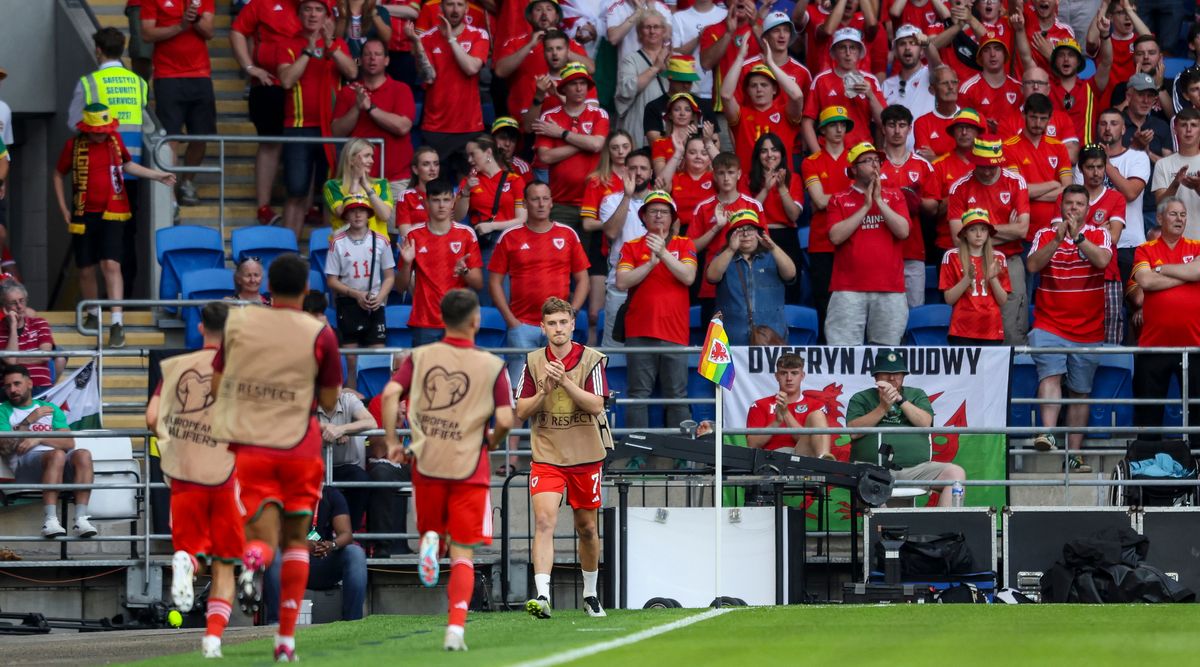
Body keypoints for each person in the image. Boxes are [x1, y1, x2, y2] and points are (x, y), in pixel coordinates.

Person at [211, 253, 342, 662]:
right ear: (305, 290)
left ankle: (252, 561)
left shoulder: (242, 325)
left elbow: (217, 385)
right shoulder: (319, 332)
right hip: (300, 447)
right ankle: (285, 642)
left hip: (254, 446)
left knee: (261, 537)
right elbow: (329, 398)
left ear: (267, 287)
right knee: (298, 541)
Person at [379, 288, 514, 651]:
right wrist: (495, 439)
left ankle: (429, 543)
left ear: (441, 320)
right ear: (476, 320)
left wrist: (393, 440)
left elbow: (391, 394)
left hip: (427, 462)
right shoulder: (491, 365)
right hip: (469, 465)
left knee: (435, 535)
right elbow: (504, 417)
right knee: (464, 554)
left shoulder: (420, 356)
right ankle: (455, 629)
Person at [145, 302, 241, 659]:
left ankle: (186, 562)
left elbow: (152, 417)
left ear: (201, 328)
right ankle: (213, 638)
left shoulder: (178, 367)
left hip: (185, 474)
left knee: (191, 549)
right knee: (226, 564)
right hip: (227, 475)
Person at [514, 297, 611, 619]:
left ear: (572, 324)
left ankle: (591, 593)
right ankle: (542, 594)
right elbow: (520, 411)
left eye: (563, 322)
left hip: (585, 454)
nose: (558, 328)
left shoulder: (592, 359)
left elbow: (597, 405)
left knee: (586, 528)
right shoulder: (532, 361)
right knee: (544, 521)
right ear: (542, 328)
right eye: (551, 323)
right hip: (548, 453)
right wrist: (543, 390)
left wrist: (566, 381)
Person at [52, 103, 176, 349]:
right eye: (96, 130)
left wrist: (157, 175)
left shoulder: (115, 141)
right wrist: (64, 208)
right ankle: (93, 313)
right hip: (83, 213)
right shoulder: (73, 146)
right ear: (86, 129)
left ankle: (117, 322)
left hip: (114, 212)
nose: (101, 134)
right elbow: (58, 174)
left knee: (111, 263)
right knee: (86, 268)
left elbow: (127, 166)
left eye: (104, 130)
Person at [1026, 185, 1114, 473]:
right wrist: (1057, 239)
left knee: (1080, 392)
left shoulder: (1099, 234)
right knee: (1050, 374)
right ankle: (1048, 433)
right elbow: (1032, 266)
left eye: (1079, 204)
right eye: (1069, 204)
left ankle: (1073, 455)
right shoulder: (1043, 234)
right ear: (1061, 207)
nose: (1074, 209)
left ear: (1087, 209)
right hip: (1049, 323)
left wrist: (1077, 238)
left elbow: (1102, 261)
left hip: (1088, 329)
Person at [66, 28, 151, 291]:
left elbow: (73, 123)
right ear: (123, 49)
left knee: (91, 239)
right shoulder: (138, 82)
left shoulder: (89, 82)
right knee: (125, 237)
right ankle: (124, 301)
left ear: (98, 50)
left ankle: (97, 306)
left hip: (97, 172)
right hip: (130, 171)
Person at [489, 180, 590, 380]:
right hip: (522, 325)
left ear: (552, 202)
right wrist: (512, 321)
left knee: (559, 390)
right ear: (525, 204)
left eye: (545, 199)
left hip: (558, 325)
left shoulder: (568, 234)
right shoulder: (510, 236)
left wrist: (572, 314)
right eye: (535, 199)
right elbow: (494, 282)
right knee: (519, 391)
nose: (541, 204)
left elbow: (583, 280)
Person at [615, 191, 697, 431]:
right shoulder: (631, 246)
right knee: (638, 395)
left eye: (664, 212)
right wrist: (650, 263)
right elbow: (622, 282)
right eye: (653, 211)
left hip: (674, 330)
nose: (659, 216)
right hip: (639, 330)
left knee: (676, 396)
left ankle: (681, 454)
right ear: (644, 217)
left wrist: (662, 254)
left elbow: (688, 276)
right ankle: (637, 454)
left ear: (672, 218)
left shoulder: (685, 243)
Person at [277, 0, 358, 237]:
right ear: (299, 14)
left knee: (331, 192)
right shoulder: (287, 44)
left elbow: (352, 72)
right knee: (296, 191)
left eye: (318, 9)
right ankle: (287, 251)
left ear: (327, 15)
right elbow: (286, 80)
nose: (313, 14)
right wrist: (307, 52)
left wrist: (330, 45)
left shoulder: (338, 43)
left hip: (331, 129)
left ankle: (328, 251)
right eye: (307, 9)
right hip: (298, 127)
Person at [846, 349, 965, 507]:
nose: (892, 378)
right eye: (886, 373)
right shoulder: (861, 398)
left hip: (917, 470)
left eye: (898, 373)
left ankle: (945, 529)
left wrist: (900, 400)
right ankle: (881, 531)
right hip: (874, 470)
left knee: (955, 474)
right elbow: (854, 432)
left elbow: (925, 423)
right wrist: (882, 408)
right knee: (873, 493)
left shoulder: (916, 394)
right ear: (875, 376)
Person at [946, 137, 1031, 344]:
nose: (987, 171)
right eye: (982, 166)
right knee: (974, 325)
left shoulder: (1015, 181)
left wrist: (977, 231)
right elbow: (958, 238)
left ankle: (1012, 374)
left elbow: (1022, 229)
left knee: (1012, 326)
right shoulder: (959, 187)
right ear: (974, 161)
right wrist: (1003, 230)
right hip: (970, 262)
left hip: (1009, 261)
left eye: (993, 166)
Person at [825, 142, 911, 346]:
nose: (875, 165)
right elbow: (835, 236)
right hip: (848, 289)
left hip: (890, 288)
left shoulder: (895, 195)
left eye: (877, 160)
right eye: (868, 160)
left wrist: (879, 201)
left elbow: (903, 231)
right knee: (843, 354)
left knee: (887, 356)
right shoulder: (838, 199)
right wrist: (865, 206)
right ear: (853, 169)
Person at [1128, 197, 1200, 435]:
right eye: (1173, 214)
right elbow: (1145, 281)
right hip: (1154, 346)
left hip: (1195, 346)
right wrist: (1187, 275)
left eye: (1183, 215)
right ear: (1159, 218)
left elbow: (1198, 270)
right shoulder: (1144, 249)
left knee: (1198, 413)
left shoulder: (1196, 246)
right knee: (1149, 414)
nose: (1179, 219)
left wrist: (1161, 269)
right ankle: (1148, 465)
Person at [0, 365, 96, 538]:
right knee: (57, 454)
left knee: (83, 454)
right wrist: (29, 420)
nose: (12, 390)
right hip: (25, 467)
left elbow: (68, 442)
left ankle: (81, 519)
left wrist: (38, 437)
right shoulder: (3, 410)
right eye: (7, 386)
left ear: (29, 383)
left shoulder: (51, 408)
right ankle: (50, 521)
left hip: (57, 463)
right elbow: (5, 446)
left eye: (16, 384)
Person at [231, 0, 300, 226]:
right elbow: (237, 31)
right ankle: (264, 206)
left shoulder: (317, 6)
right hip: (269, 83)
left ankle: (305, 205)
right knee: (271, 143)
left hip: (305, 84)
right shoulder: (262, 4)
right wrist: (250, 67)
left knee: (304, 142)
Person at [141, 0, 216, 207]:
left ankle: (187, 183)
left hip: (200, 74)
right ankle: (171, 194)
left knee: (200, 136)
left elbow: (209, 32)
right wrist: (179, 26)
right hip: (167, 76)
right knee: (171, 136)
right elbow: (147, 34)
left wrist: (195, 19)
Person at [406, 0, 489, 183]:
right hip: (436, 126)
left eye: (460, 4)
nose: (455, 9)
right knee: (434, 189)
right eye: (450, 4)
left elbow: (471, 68)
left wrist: (451, 39)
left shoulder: (478, 34)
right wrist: (417, 44)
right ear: (441, 8)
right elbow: (428, 77)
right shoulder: (427, 38)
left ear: (466, 9)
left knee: (470, 188)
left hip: (469, 126)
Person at [262, 485, 368, 622]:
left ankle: (353, 621)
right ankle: (275, 623)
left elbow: (346, 534)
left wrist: (331, 545)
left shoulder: (330, 494)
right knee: (274, 553)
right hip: (291, 562)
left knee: (355, 553)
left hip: (322, 559)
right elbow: (274, 533)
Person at [331, 38, 416, 201]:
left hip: (395, 180)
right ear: (360, 60)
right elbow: (336, 132)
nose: (372, 58)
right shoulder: (348, 92)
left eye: (377, 54)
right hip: (355, 178)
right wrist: (356, 107)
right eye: (367, 54)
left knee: (394, 227)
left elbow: (402, 127)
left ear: (386, 60)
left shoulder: (401, 89)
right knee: (353, 226)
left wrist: (370, 109)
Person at [326, 196, 395, 391]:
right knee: (352, 361)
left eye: (362, 210)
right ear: (346, 215)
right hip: (348, 304)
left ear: (368, 214)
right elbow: (331, 280)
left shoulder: (381, 241)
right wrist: (355, 294)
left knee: (378, 356)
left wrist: (380, 298)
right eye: (353, 210)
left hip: (375, 303)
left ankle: (378, 402)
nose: (357, 214)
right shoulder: (337, 242)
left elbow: (389, 276)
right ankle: (351, 401)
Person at [532, 62, 610, 233]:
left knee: (592, 257)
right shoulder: (549, 116)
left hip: (594, 200)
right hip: (561, 202)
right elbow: (545, 157)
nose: (579, 88)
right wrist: (584, 142)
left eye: (583, 83)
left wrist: (561, 134)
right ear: (564, 88)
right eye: (574, 83)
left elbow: (597, 145)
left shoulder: (599, 113)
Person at [494, 1, 593, 126]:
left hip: (562, 122)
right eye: (538, 9)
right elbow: (500, 71)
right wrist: (530, 45)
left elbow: (590, 69)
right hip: (524, 124)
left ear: (557, 16)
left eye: (549, 9)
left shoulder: (570, 44)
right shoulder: (516, 43)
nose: (544, 14)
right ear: (530, 16)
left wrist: (559, 45)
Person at [705, 209, 795, 346]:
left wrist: (773, 248)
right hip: (730, 337)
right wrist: (730, 249)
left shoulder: (773, 255)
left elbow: (790, 274)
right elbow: (712, 276)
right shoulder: (724, 256)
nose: (746, 234)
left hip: (771, 336)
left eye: (750, 229)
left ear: (759, 233)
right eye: (740, 230)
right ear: (731, 235)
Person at [1076, 141, 1135, 345]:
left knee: (1110, 338)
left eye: (1100, 167)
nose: (1096, 172)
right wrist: (1101, 231)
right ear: (1081, 168)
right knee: (1076, 332)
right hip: (1074, 275)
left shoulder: (1116, 197)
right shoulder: (1070, 197)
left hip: (1108, 275)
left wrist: (1080, 232)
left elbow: (1114, 238)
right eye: (1090, 167)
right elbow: (1063, 238)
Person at [802, 108, 854, 337]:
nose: (839, 129)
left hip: (853, 242)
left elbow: (825, 199)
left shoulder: (856, 157)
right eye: (833, 124)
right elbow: (819, 201)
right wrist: (850, 198)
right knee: (824, 301)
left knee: (851, 302)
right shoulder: (811, 162)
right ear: (822, 129)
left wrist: (833, 199)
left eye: (842, 124)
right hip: (822, 242)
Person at [691, 152, 764, 313]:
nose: (726, 178)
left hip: (747, 280)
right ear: (714, 175)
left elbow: (764, 243)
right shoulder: (703, 207)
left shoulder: (753, 205)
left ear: (739, 174)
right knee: (713, 337)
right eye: (721, 173)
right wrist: (716, 227)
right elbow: (691, 248)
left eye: (730, 172)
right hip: (713, 283)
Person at [878, 104, 933, 307]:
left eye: (902, 125)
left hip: (913, 249)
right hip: (880, 249)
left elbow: (934, 207)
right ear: (883, 128)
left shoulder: (922, 164)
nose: (897, 130)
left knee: (915, 312)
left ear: (910, 129)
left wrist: (916, 201)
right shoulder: (874, 162)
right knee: (883, 314)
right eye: (892, 125)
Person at [580, 130, 633, 344]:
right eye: (615, 147)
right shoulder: (597, 181)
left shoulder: (639, 177)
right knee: (594, 314)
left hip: (632, 251)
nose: (620, 152)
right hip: (601, 249)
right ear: (607, 152)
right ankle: (592, 365)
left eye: (625, 147)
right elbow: (587, 223)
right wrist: (615, 223)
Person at [722, 37, 805, 173]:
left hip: (781, 185)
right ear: (747, 91)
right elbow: (725, 95)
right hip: (748, 186)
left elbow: (797, 96)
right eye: (754, 85)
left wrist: (771, 64)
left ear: (774, 89)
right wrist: (740, 58)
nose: (759, 89)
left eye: (764, 85)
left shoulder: (785, 113)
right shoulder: (741, 114)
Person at [598, 149, 654, 346]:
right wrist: (627, 197)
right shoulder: (611, 200)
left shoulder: (662, 201)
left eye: (643, 168)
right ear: (624, 171)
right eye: (633, 168)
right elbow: (611, 232)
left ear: (651, 173)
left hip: (655, 287)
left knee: (649, 352)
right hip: (620, 286)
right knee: (615, 353)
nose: (638, 173)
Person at [1001, 93, 1074, 242]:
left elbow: (1067, 191)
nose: (1038, 123)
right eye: (1033, 117)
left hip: (1054, 231)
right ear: (1024, 115)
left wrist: (1029, 193)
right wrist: (1053, 185)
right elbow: (1015, 191)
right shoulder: (1008, 147)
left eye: (1043, 118)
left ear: (1050, 118)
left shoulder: (1059, 147)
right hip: (1023, 234)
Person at [801, 27, 885, 154]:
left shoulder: (870, 80)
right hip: (829, 151)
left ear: (860, 52)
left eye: (853, 48)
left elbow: (883, 122)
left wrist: (871, 95)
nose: (848, 53)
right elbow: (807, 122)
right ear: (833, 53)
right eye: (842, 47)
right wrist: (818, 154)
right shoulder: (821, 80)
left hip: (862, 151)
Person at [939, 208, 1010, 345]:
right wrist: (967, 279)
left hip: (991, 328)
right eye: (973, 230)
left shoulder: (998, 258)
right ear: (965, 233)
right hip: (962, 329)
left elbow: (1002, 301)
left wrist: (993, 278)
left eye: (983, 229)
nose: (979, 234)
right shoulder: (952, 256)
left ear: (988, 233)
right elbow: (949, 299)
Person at [745, 352, 832, 457]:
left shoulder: (817, 405)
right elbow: (752, 444)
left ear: (802, 376)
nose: (789, 378)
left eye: (794, 373)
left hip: (804, 457)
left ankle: (825, 462)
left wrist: (785, 413)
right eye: (783, 373)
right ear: (777, 376)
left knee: (817, 415)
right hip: (771, 459)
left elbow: (807, 440)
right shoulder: (759, 405)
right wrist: (776, 422)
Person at [321, 388, 377, 532]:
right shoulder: (310, 400)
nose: (336, 387)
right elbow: (300, 423)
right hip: (318, 467)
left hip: (346, 466)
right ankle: (318, 537)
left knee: (362, 481)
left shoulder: (348, 399)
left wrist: (342, 429)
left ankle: (351, 532)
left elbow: (372, 422)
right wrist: (326, 428)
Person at [995, 66, 1080, 162]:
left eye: (1040, 83)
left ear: (1048, 89)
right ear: (1022, 89)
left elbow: (1072, 155)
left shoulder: (1062, 118)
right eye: (1030, 83)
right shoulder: (1007, 120)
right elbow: (1006, 155)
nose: (1035, 87)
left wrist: (1031, 159)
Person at [454, 134, 528, 240]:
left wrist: (492, 226)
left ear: (488, 152)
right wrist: (466, 191)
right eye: (468, 156)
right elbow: (457, 217)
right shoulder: (468, 182)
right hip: (483, 241)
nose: (469, 160)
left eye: (473, 154)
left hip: (511, 239)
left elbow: (522, 219)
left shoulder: (515, 180)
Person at [614, 11, 671, 148]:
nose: (652, 31)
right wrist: (656, 67)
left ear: (664, 31)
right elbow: (626, 90)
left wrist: (668, 69)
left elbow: (691, 91)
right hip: (639, 124)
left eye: (656, 27)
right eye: (647, 27)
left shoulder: (676, 57)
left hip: (671, 124)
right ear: (639, 33)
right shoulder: (630, 59)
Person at [323, 138, 395, 240]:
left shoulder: (381, 184)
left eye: (372, 156)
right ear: (351, 159)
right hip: (345, 247)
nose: (372, 161)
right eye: (367, 156)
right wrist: (355, 182)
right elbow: (346, 217)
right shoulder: (332, 186)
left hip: (377, 247)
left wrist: (367, 188)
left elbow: (385, 215)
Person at [957, 31, 1022, 134]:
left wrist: (1002, 129)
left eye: (997, 49)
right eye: (987, 50)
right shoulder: (967, 89)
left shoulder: (1019, 88)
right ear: (980, 56)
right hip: (979, 147)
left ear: (1005, 54)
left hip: (1011, 146)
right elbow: (962, 128)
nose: (992, 54)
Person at [1151, 108, 1200, 239]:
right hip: (1173, 243)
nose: (1188, 130)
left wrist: (1197, 187)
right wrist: (1176, 183)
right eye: (1184, 125)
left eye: (1194, 125)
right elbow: (1160, 204)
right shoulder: (1163, 164)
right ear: (1175, 129)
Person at [0, 284, 56, 395]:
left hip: (40, 386)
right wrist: (13, 327)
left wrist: (16, 359)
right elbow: (11, 362)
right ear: (4, 307)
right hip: (12, 390)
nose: (19, 306)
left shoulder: (40, 323)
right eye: (13, 303)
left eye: (22, 301)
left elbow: (45, 355)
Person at [672, 0, 727, 112]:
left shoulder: (726, 15)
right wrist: (699, 37)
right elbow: (674, 54)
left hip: (720, 92)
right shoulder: (679, 17)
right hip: (689, 90)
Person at [645, 57, 714, 147]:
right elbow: (655, 143)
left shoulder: (704, 105)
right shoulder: (653, 107)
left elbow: (716, 141)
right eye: (682, 81)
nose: (686, 85)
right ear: (670, 78)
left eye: (689, 82)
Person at [883, 24, 934, 123]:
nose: (907, 47)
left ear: (922, 50)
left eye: (913, 43)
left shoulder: (931, 75)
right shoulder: (887, 85)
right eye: (902, 44)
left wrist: (927, 44)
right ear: (896, 52)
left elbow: (937, 63)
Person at [913, 65, 962, 161]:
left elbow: (972, 160)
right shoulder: (922, 123)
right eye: (944, 83)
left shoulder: (973, 119)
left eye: (954, 82)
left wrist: (936, 158)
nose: (951, 87)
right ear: (932, 90)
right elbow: (925, 161)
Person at [395, 146, 440, 237]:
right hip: (417, 248)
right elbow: (406, 236)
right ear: (415, 169)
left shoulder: (448, 195)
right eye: (426, 164)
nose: (432, 168)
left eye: (436, 164)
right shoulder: (406, 196)